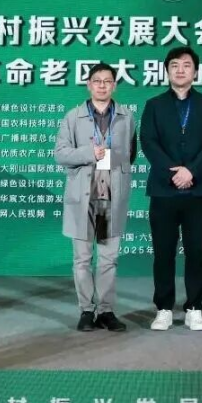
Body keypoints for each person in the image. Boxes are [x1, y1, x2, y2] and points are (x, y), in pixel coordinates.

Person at [140, 46, 202, 331]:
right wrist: (173, 172)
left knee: (197, 252)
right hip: (164, 190)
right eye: (174, 65)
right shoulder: (154, 105)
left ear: (195, 71)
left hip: (198, 191)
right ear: (167, 71)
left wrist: (192, 171)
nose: (180, 70)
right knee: (163, 252)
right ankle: (163, 308)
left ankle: (194, 308)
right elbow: (148, 142)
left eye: (186, 65)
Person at [55, 63, 137, 332]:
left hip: (110, 198)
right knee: (82, 258)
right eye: (97, 81)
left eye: (107, 81)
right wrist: (89, 154)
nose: (102, 85)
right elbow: (61, 154)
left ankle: (106, 310)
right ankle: (86, 310)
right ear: (88, 85)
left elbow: (131, 153)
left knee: (108, 258)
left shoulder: (126, 117)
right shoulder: (73, 117)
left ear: (115, 85)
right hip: (83, 198)